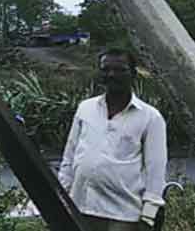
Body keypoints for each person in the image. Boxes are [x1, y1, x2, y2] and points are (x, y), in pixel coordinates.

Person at [58, 47, 167, 231]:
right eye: (106, 69)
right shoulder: (85, 108)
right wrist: (62, 194)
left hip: (123, 215)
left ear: (133, 74)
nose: (112, 74)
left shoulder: (150, 117)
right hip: (81, 208)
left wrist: (148, 215)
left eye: (119, 70)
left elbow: (155, 171)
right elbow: (70, 155)